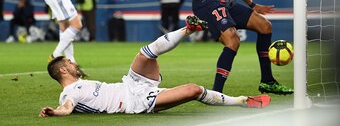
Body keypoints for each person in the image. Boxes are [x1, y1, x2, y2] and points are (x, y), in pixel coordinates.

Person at [39, 16, 270, 117]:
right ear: (62, 70)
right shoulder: (68, 94)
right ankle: (241, 101)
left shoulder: (80, 83)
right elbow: (67, 108)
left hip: (130, 83)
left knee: (145, 53)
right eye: (69, 62)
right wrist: (55, 112)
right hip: (136, 101)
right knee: (194, 90)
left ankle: (187, 30)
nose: (73, 62)